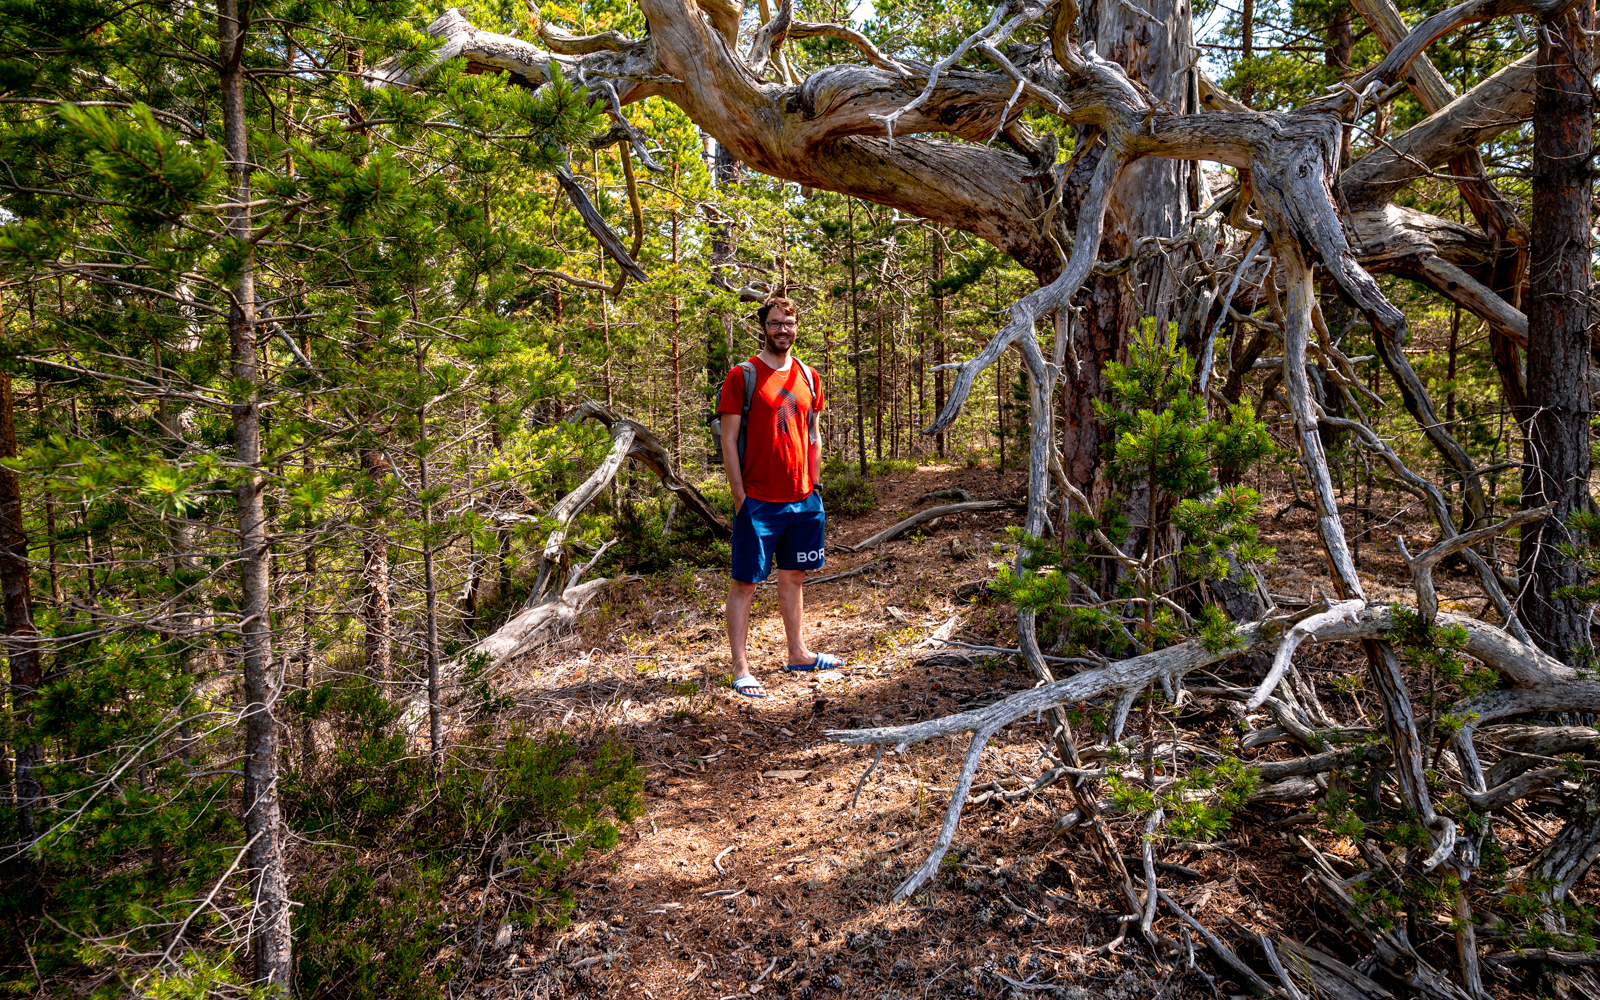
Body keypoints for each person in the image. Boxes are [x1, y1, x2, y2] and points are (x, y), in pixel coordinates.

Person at [716, 296, 841, 698]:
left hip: (803, 500)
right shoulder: (743, 376)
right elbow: (729, 440)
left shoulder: (809, 375)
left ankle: (798, 653)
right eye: (775, 323)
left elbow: (813, 435)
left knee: (794, 576)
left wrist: (816, 488)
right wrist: (740, 499)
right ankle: (740, 666)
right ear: (763, 327)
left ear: (796, 327)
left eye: (788, 323)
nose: (782, 330)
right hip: (759, 501)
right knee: (745, 582)